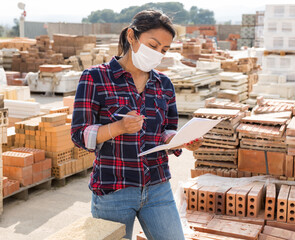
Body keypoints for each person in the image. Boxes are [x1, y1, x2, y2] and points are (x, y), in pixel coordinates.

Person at [71, 9, 202, 240]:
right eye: (153, 45)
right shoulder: (95, 78)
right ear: (132, 36)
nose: (158, 54)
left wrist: (178, 140)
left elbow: (168, 129)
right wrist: (117, 128)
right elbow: (79, 135)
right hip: (114, 189)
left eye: (164, 50)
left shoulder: (164, 84)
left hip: (158, 186)